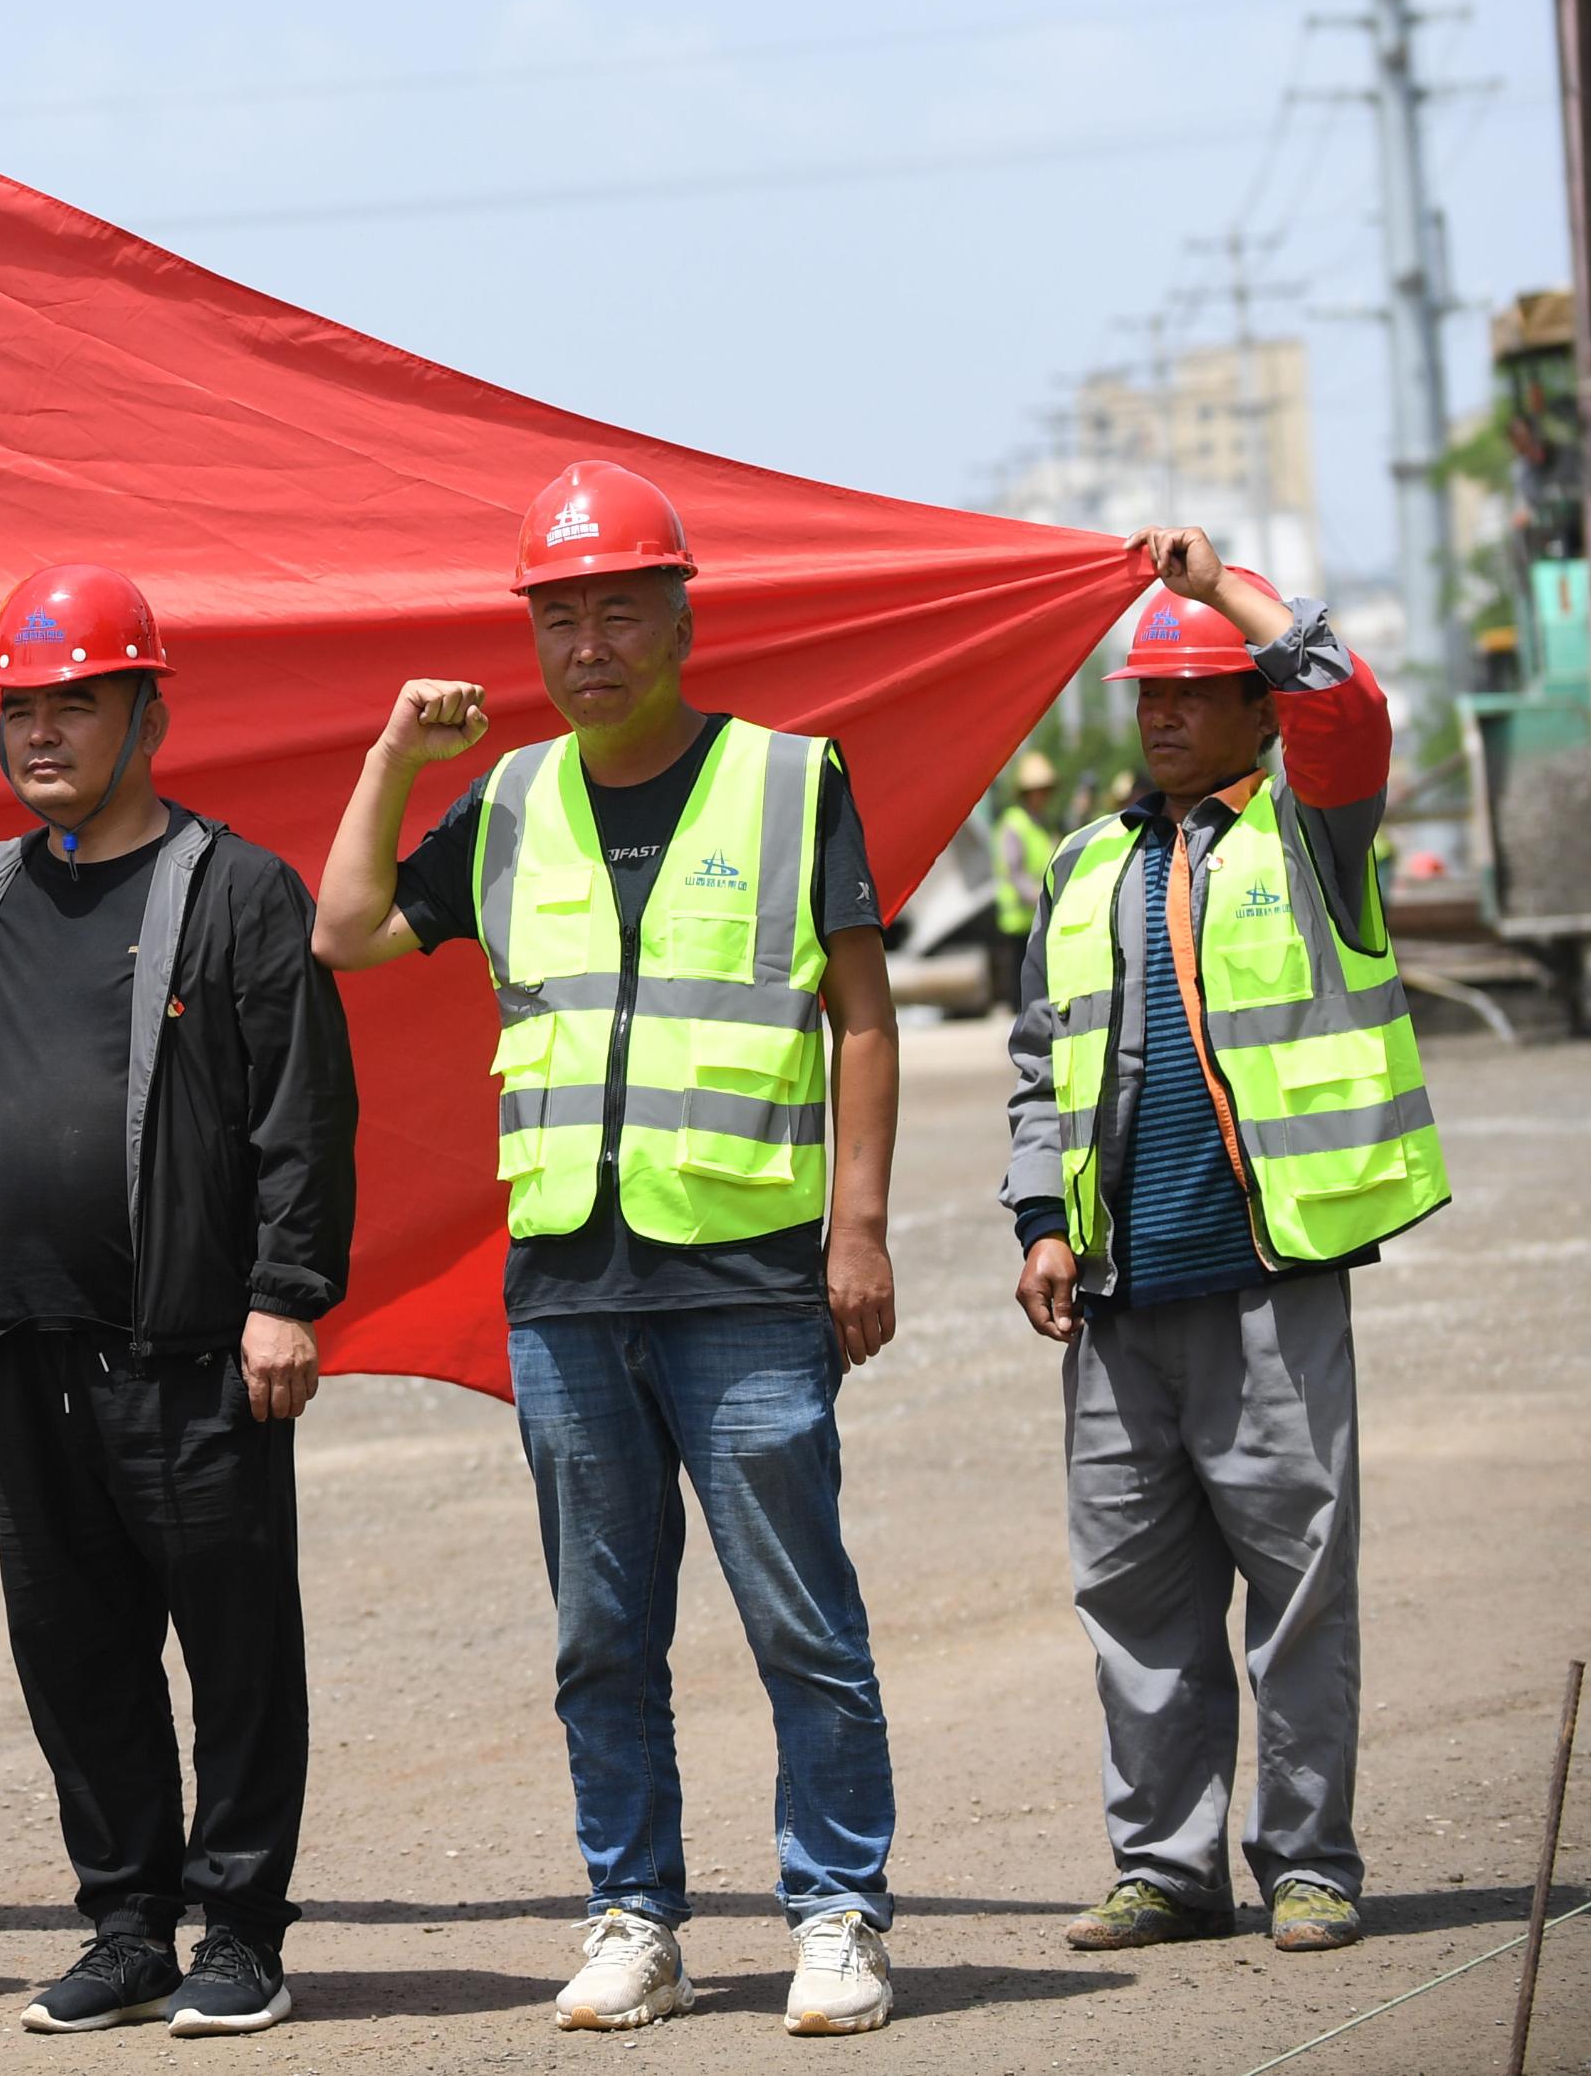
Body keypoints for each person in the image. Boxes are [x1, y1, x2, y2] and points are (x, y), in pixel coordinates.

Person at [310, 460, 903, 2040]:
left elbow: (860, 1010)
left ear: (678, 612)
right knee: (599, 1635)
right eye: (558, 611)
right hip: (570, 1288)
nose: (587, 638)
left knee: (802, 1620)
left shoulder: (786, 781)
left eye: (616, 605)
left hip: (747, 1279)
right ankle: (633, 1914)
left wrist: (858, 1228)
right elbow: (348, 926)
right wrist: (389, 753)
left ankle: (836, 1912)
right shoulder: (506, 802)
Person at [0, 563, 355, 2039]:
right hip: (23, 1341)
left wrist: (285, 1295)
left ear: (146, 710)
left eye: (72, 700)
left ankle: (241, 1930)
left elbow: (302, 1113)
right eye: (18, 705)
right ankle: (123, 1923)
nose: (39, 730)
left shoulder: (235, 890)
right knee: (74, 1646)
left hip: (195, 1349)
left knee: (233, 1648)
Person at [1002, 530, 1445, 1959]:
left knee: (1297, 1591)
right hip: (1120, 1301)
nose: (1163, 714)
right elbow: (1038, 1064)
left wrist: (1221, 594)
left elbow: (1349, 699)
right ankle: (1165, 1866)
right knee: (1135, 1599)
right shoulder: (1083, 866)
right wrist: (1038, 1222)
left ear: (1255, 706)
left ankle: (1307, 1860)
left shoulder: (1311, 830)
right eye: (1149, 693)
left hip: (1267, 1283)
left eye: (1193, 689)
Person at [988, 752, 1065, 1021]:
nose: (1042, 795)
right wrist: (1041, 897)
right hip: (1018, 919)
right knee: (1022, 987)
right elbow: (1014, 872)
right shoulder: (1014, 823)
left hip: (1039, 916)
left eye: (1045, 790)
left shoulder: (1043, 823)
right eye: (1037, 790)